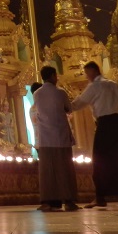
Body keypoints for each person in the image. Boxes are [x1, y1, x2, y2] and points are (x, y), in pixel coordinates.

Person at [72, 61, 118, 210]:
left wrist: (62, 107)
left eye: (87, 73)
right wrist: (117, 123)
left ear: (93, 71)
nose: (86, 76)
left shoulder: (95, 86)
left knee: (100, 160)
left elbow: (79, 103)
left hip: (105, 124)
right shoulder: (113, 84)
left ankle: (100, 197)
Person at [34, 66, 80, 212]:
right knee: (64, 170)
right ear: (53, 75)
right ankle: (69, 201)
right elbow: (69, 108)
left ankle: (48, 202)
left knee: (47, 171)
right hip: (60, 137)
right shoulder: (60, 92)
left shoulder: (36, 93)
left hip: (45, 138)